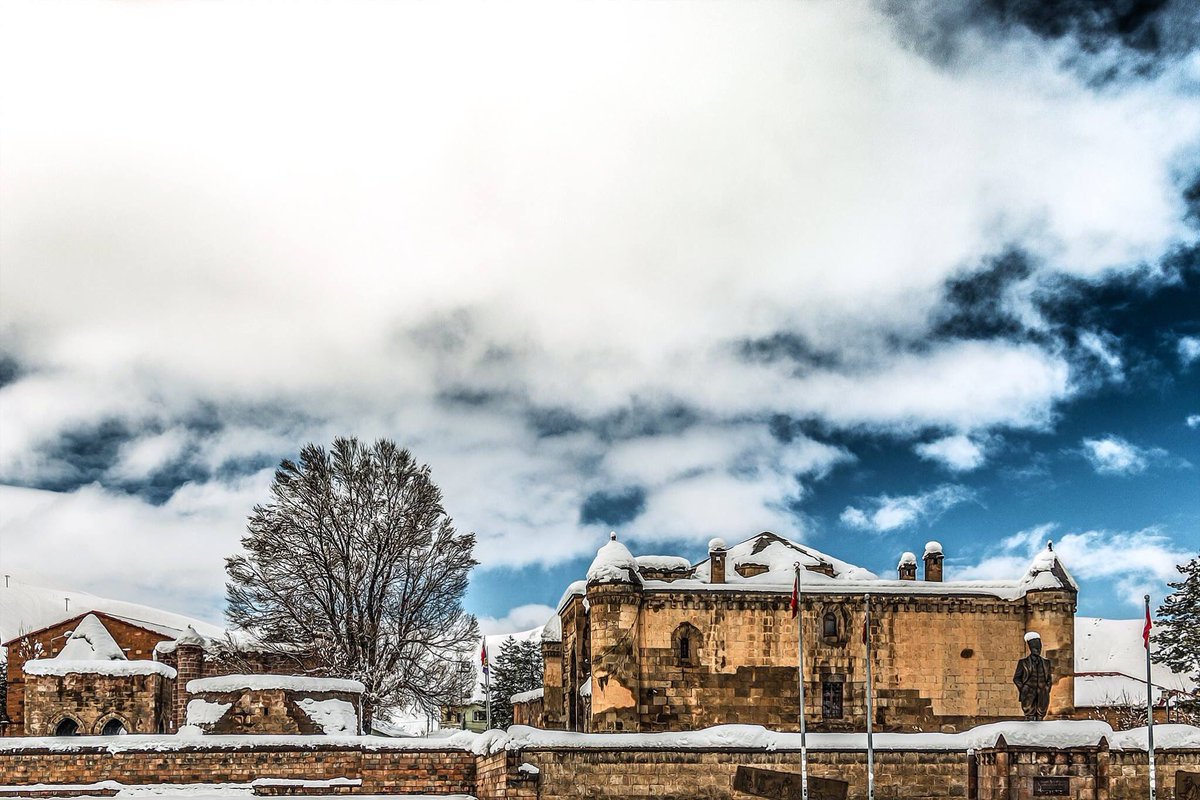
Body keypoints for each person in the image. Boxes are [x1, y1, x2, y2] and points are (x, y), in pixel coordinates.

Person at [1012, 631, 1052, 720]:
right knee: (1029, 714)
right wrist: (1024, 688)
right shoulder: (1023, 662)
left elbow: (1049, 678)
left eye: (1039, 648)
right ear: (1031, 648)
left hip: (1042, 692)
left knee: (1041, 714)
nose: (1038, 650)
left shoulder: (1046, 662)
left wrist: (1046, 688)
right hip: (1029, 692)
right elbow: (1016, 678)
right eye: (1036, 648)